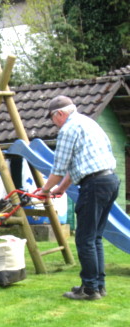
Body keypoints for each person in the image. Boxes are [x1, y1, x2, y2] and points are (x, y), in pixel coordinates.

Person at [35, 95, 120, 300]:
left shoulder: (68, 129)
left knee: (84, 239)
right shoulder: (89, 123)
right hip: (110, 181)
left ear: (60, 114)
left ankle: (90, 289)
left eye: (52, 118)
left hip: (94, 185)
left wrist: (45, 189)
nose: (53, 123)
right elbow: (75, 168)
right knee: (95, 237)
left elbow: (59, 167)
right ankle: (98, 285)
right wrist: (61, 188)